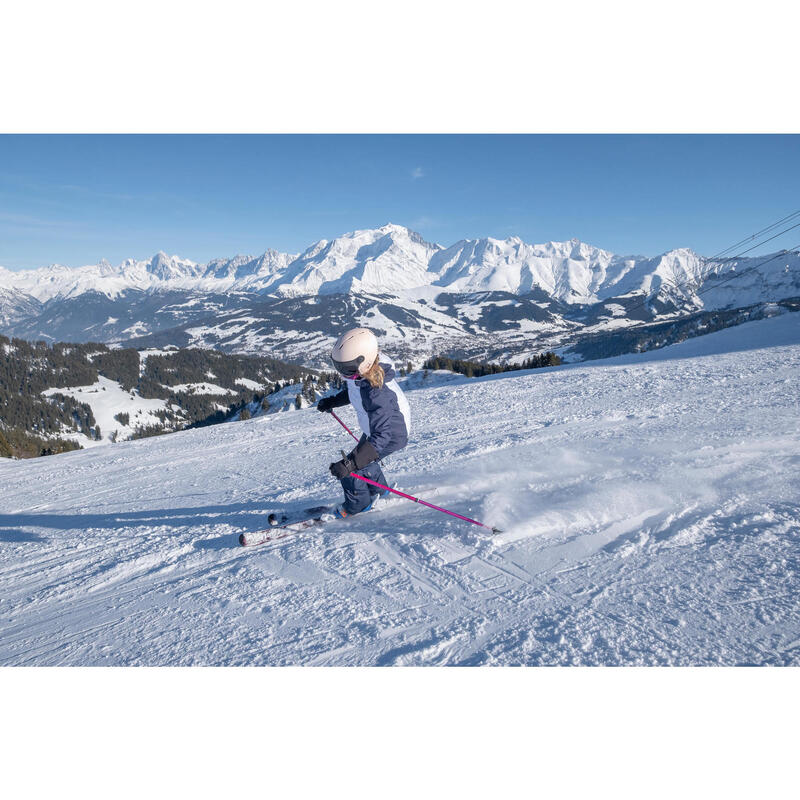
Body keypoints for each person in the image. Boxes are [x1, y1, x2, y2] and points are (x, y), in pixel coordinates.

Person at [317, 327, 411, 519]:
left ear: (364, 362)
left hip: (390, 433)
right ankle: (379, 490)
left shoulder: (375, 392)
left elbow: (382, 436)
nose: (343, 374)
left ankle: (358, 505)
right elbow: (355, 392)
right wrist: (334, 401)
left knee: (352, 469)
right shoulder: (360, 374)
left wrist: (350, 465)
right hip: (375, 428)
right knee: (362, 461)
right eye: (339, 367)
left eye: (347, 369)